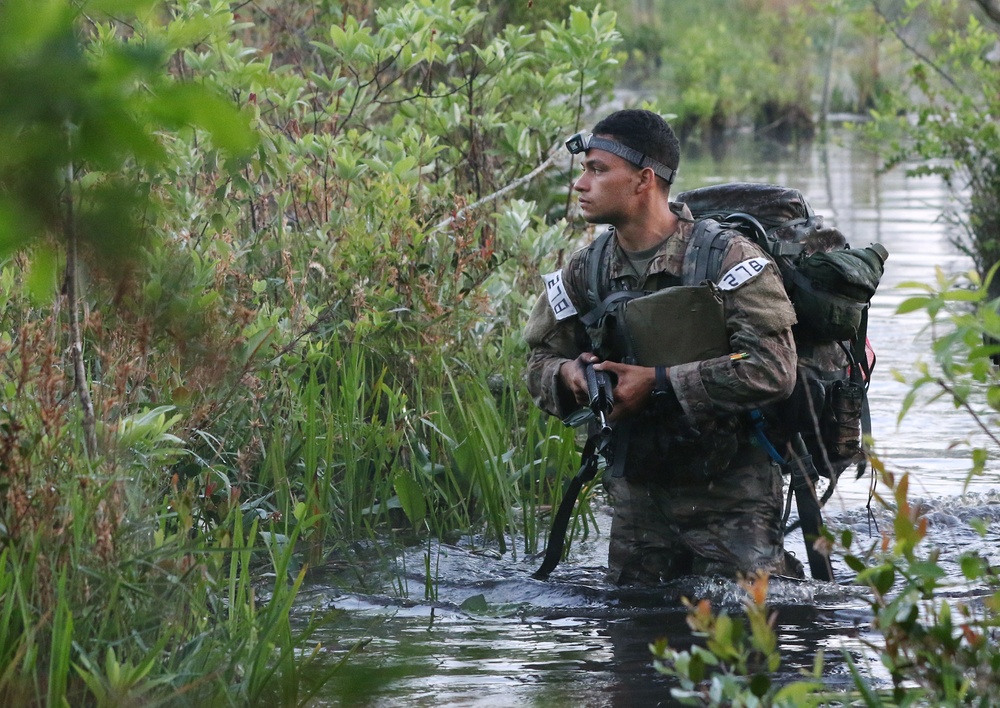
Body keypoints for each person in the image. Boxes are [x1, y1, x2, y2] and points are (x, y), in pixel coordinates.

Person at [524, 109, 804, 584]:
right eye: (585, 169)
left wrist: (659, 383)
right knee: (634, 637)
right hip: (638, 495)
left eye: (597, 170)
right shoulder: (585, 270)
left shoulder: (728, 258)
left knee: (747, 637)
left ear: (643, 180)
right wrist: (568, 376)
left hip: (732, 495)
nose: (581, 184)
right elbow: (537, 362)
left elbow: (774, 368)